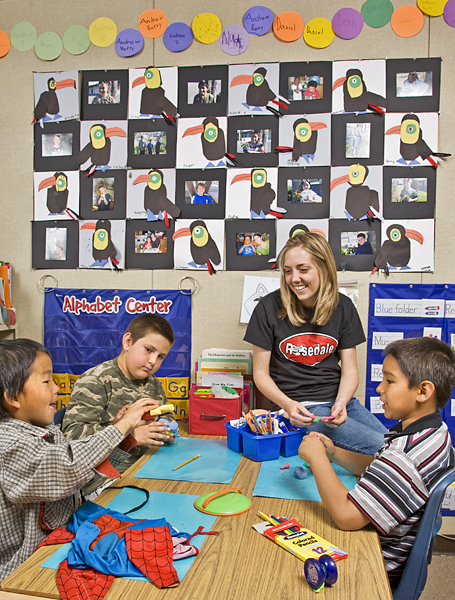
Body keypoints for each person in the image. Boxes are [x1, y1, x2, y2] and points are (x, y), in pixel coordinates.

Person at [298, 337, 455, 588]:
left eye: (390, 381)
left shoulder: (405, 457)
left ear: (423, 391)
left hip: (376, 568)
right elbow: (377, 465)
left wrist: (316, 458)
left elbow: (347, 517)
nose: (380, 388)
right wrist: (333, 453)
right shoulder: (434, 432)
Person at [0, 338, 156, 581]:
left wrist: (123, 437)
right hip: (24, 570)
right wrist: (124, 425)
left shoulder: (48, 432)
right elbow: (68, 468)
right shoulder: (8, 444)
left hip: (60, 545)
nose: (56, 388)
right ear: (13, 398)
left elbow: (81, 482)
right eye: (46, 380)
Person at [244, 232, 387, 454]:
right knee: (382, 448)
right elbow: (260, 374)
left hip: (342, 403)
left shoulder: (344, 307)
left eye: (303, 269)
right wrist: (287, 405)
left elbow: (350, 369)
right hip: (300, 409)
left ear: (324, 268)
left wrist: (341, 402)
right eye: (288, 271)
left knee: (395, 443)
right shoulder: (267, 307)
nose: (294, 278)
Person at [62, 314, 178, 494]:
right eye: (149, 350)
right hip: (104, 481)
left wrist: (166, 428)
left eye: (161, 356)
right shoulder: (96, 381)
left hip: (147, 468)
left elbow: (165, 414)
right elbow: (72, 438)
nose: (153, 361)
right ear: (128, 342)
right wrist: (129, 435)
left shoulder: (152, 382)